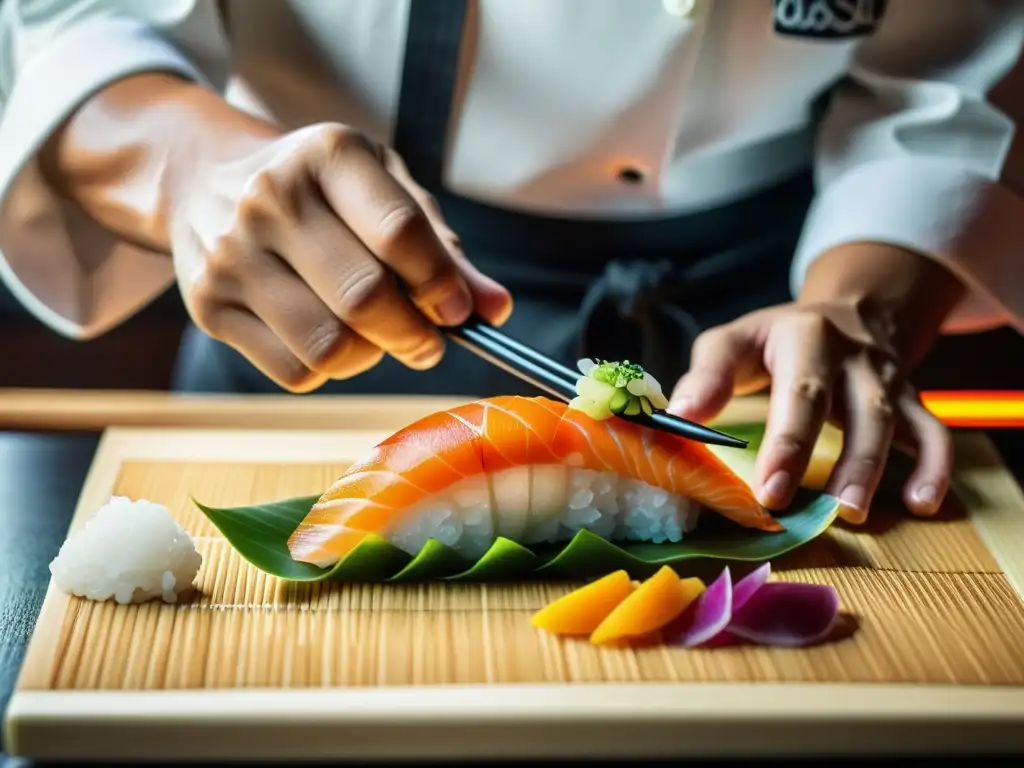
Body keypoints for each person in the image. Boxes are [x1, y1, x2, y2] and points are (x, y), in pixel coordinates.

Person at [1, 0, 1023, 525]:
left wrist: (860, 302)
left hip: (768, 332)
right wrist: (196, 168)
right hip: (324, 272)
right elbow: (79, 27)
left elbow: (945, 80)